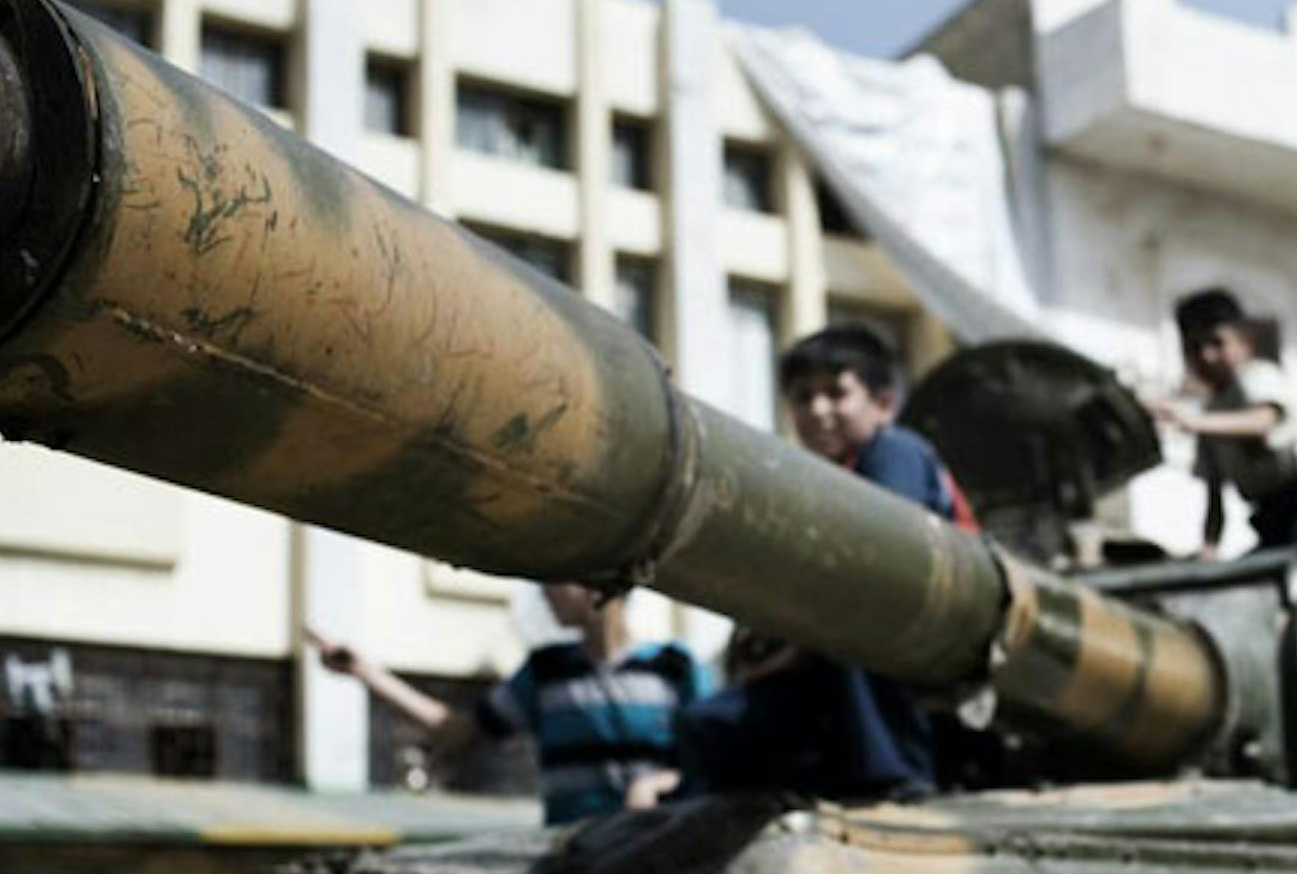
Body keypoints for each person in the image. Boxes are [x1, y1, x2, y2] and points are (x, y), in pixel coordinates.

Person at [640, 324, 969, 805]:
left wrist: (791, 652)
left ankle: (894, 783)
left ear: (883, 403)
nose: (817, 410)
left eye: (837, 393)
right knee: (709, 723)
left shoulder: (893, 451)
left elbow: (884, 559)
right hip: (822, 671)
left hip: (907, 651)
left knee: (860, 631)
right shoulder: (819, 481)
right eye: (802, 397)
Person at [307, 582, 707, 825]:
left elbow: (712, 762)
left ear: (596, 586)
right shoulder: (546, 670)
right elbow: (457, 731)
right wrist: (365, 672)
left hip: (652, 855)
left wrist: (656, 783)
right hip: (573, 859)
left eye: (556, 579)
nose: (544, 591)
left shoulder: (674, 667)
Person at [1150, 287, 1297, 556]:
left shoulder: (1257, 376)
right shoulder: (1211, 416)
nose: (1207, 356)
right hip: (1271, 519)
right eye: (1195, 348)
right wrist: (1209, 548)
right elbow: (1214, 497)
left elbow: (1262, 421)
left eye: (1217, 343)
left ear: (1246, 343)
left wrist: (1195, 422)